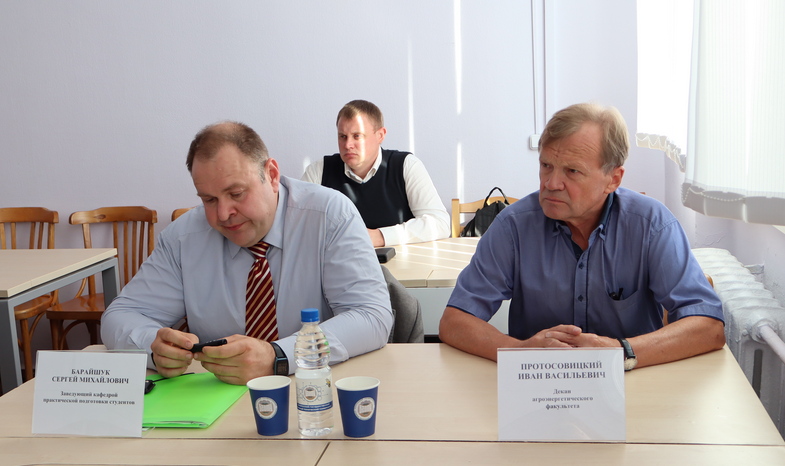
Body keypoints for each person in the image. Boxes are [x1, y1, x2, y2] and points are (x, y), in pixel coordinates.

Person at [102, 121, 393, 385]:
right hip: (216, 398)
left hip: (314, 390)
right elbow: (121, 315)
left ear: (272, 175)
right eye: (209, 200)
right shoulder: (183, 238)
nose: (223, 213)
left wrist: (279, 355)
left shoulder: (329, 215)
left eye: (237, 194)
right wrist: (153, 347)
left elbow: (371, 315)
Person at [439, 103, 725, 369]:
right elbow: (455, 321)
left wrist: (620, 350)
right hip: (539, 384)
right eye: (546, 165)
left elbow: (709, 327)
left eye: (572, 171)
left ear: (613, 179)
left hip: (632, 382)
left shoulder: (651, 225)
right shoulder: (513, 226)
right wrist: (520, 351)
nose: (551, 183)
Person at [302, 99, 450, 247]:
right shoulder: (319, 170)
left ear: (380, 135)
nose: (348, 145)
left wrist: (378, 237)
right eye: (342, 136)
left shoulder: (406, 165)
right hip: (338, 260)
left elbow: (439, 223)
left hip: (401, 260)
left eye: (357, 136)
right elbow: (296, 224)